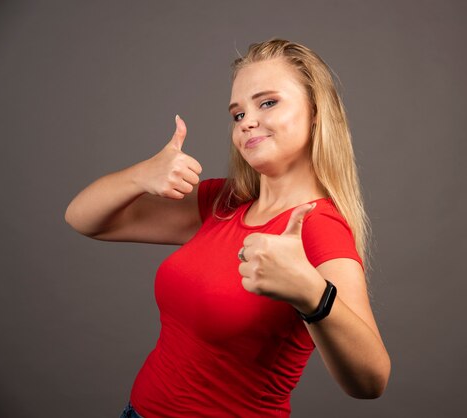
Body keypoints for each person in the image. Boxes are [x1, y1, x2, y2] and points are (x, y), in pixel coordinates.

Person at [65, 38, 390, 418]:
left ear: (316, 112)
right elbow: (83, 218)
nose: (248, 121)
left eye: (268, 102)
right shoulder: (225, 202)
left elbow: (371, 382)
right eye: (237, 114)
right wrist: (141, 175)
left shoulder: (318, 226)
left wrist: (311, 294)